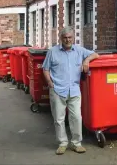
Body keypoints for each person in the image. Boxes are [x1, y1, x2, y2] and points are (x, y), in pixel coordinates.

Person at [42, 26, 99, 155]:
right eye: (65, 37)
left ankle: (76, 143)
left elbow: (96, 54)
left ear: (73, 38)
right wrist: (50, 83)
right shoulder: (53, 51)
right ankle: (62, 143)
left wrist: (87, 60)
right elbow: (45, 68)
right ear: (61, 38)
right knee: (59, 119)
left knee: (77, 118)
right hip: (57, 90)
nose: (67, 40)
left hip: (74, 90)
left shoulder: (79, 50)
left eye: (70, 37)